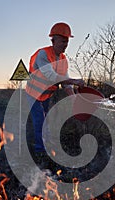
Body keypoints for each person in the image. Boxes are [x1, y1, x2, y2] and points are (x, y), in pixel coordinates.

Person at [25, 22, 85, 168]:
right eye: (62, 40)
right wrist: (75, 81)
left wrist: (73, 98)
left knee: (48, 120)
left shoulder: (63, 60)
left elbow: (65, 83)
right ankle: (40, 153)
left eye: (67, 41)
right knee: (40, 120)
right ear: (53, 41)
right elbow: (52, 76)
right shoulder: (42, 55)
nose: (65, 44)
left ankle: (46, 144)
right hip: (33, 94)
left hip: (46, 95)